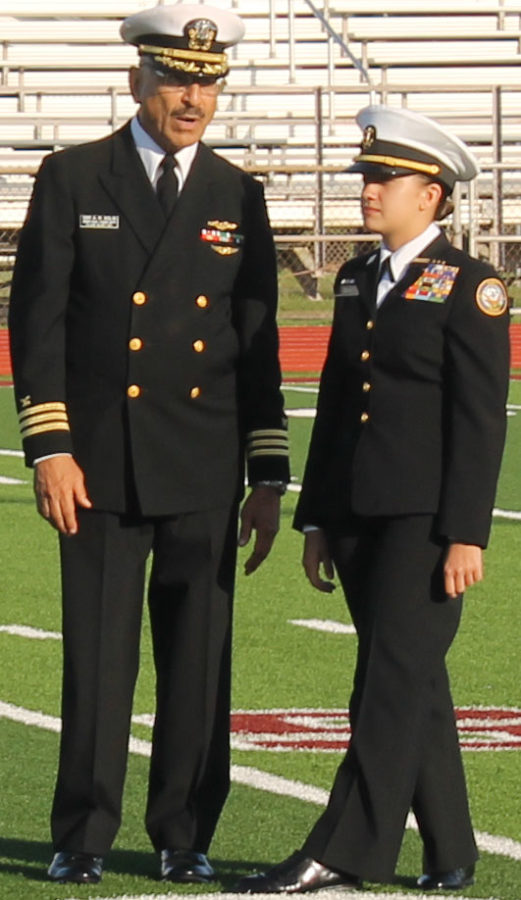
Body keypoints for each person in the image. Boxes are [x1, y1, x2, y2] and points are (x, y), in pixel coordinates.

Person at [9, 3, 289, 887]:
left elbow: (259, 340)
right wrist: (50, 446)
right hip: (95, 465)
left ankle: (182, 831)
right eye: (175, 77)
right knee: (97, 656)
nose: (191, 97)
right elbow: (38, 319)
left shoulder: (237, 194)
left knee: (198, 662)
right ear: (137, 79)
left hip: (203, 464)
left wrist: (268, 473)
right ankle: (83, 832)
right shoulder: (74, 175)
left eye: (206, 82)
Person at [237, 105, 510, 893]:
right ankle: (450, 849)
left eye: (383, 179)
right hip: (356, 513)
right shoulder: (359, 277)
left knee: (384, 684)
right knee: (410, 681)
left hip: (424, 523)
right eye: (365, 177)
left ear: (429, 195)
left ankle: (343, 852)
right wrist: (316, 515)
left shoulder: (470, 287)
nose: (368, 190)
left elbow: (478, 420)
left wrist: (466, 534)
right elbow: (333, 402)